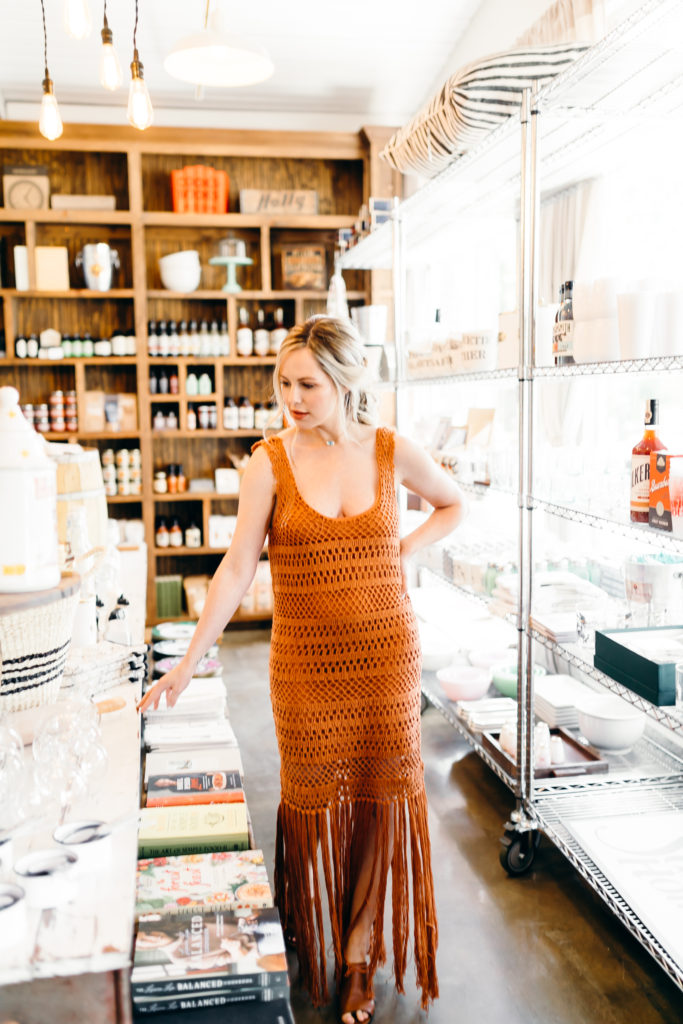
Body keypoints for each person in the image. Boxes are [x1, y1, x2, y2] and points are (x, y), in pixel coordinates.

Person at [139, 315, 466, 1023]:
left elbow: (452, 503)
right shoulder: (268, 461)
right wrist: (188, 662)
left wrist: (398, 553)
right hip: (304, 668)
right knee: (316, 803)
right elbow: (234, 569)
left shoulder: (390, 450)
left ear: (344, 381)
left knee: (381, 802)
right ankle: (313, 927)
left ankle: (357, 955)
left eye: (307, 384)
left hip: (386, 656)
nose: (292, 396)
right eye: (284, 382)